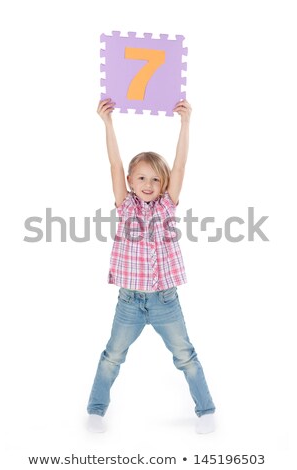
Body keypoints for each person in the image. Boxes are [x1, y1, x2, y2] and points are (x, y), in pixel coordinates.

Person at [86, 98, 216, 433]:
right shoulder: (125, 205)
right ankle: (96, 410)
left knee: (185, 355)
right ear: (130, 180)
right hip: (129, 302)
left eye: (155, 180)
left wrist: (185, 124)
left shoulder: (167, 206)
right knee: (113, 356)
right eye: (141, 178)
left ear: (163, 184)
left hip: (165, 301)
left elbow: (181, 167)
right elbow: (114, 165)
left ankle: (206, 411)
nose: (148, 184)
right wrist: (108, 124)